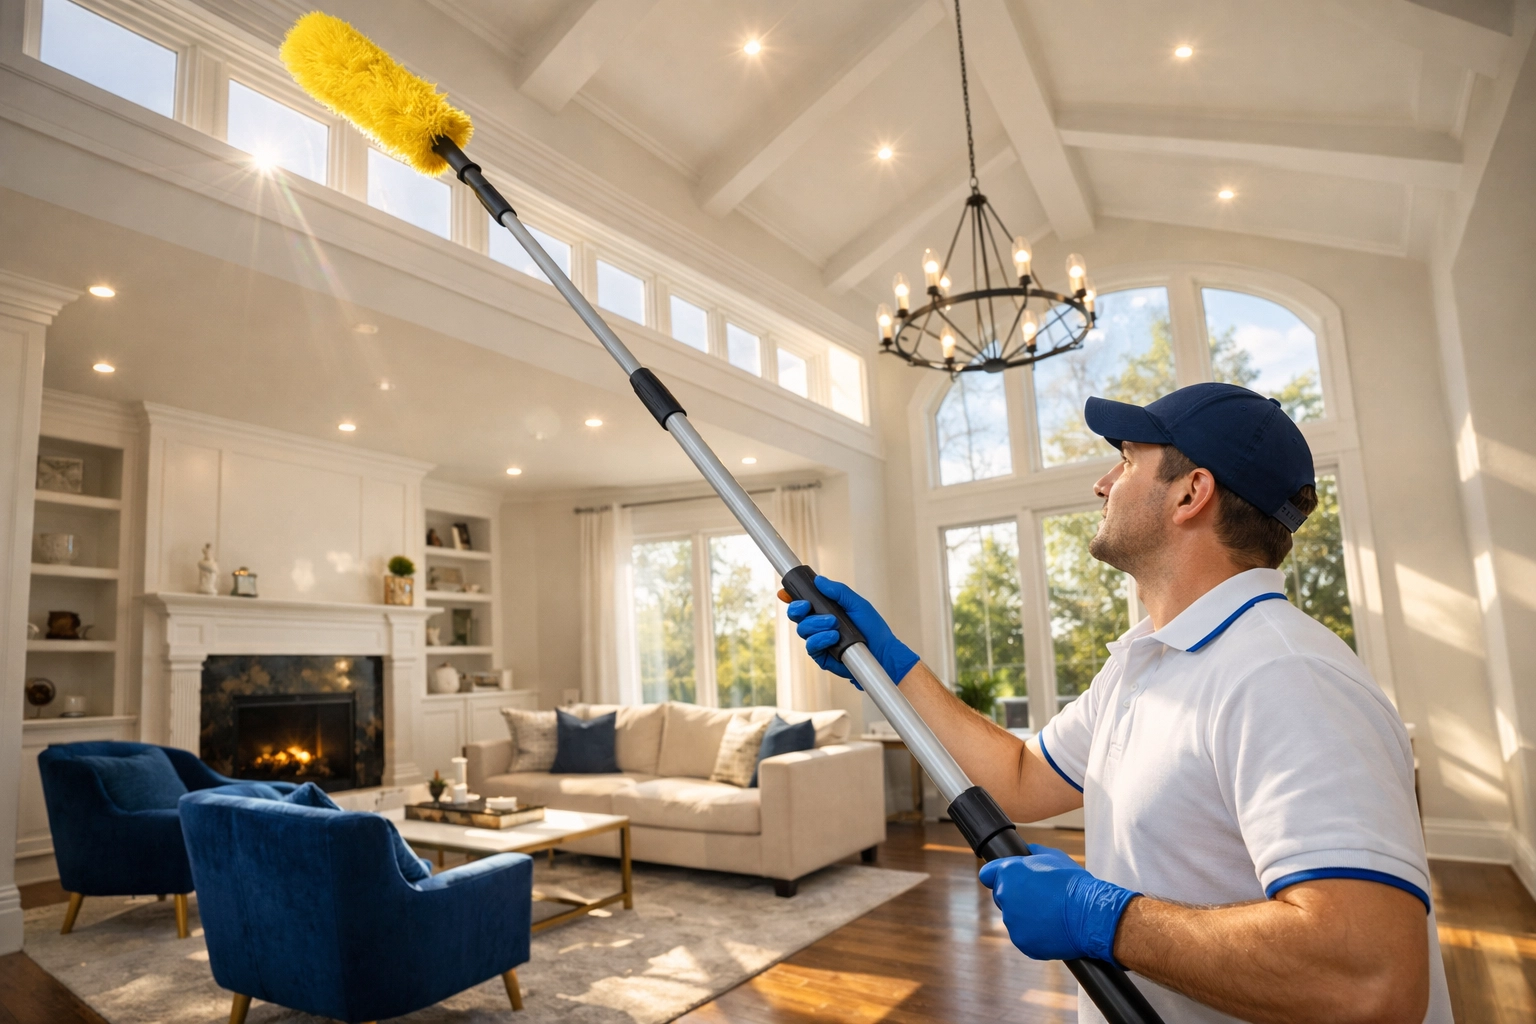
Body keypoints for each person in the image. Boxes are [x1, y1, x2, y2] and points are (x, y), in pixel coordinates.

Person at [786, 382, 1449, 1023]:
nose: (1103, 483)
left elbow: (1371, 981)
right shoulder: (1148, 663)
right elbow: (1016, 779)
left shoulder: (1283, 674)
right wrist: (891, 668)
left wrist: (1101, 916)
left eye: (1128, 460)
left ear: (1193, 492)